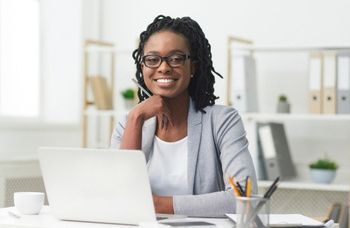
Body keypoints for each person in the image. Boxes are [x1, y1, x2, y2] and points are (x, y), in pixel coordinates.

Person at [111, 15, 257, 217]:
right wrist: (136, 117)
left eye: (176, 58)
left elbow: (244, 199)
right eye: (152, 59)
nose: (163, 67)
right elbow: (116, 194)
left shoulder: (222, 121)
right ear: (142, 67)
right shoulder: (129, 123)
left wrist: (155, 204)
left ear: (193, 67)